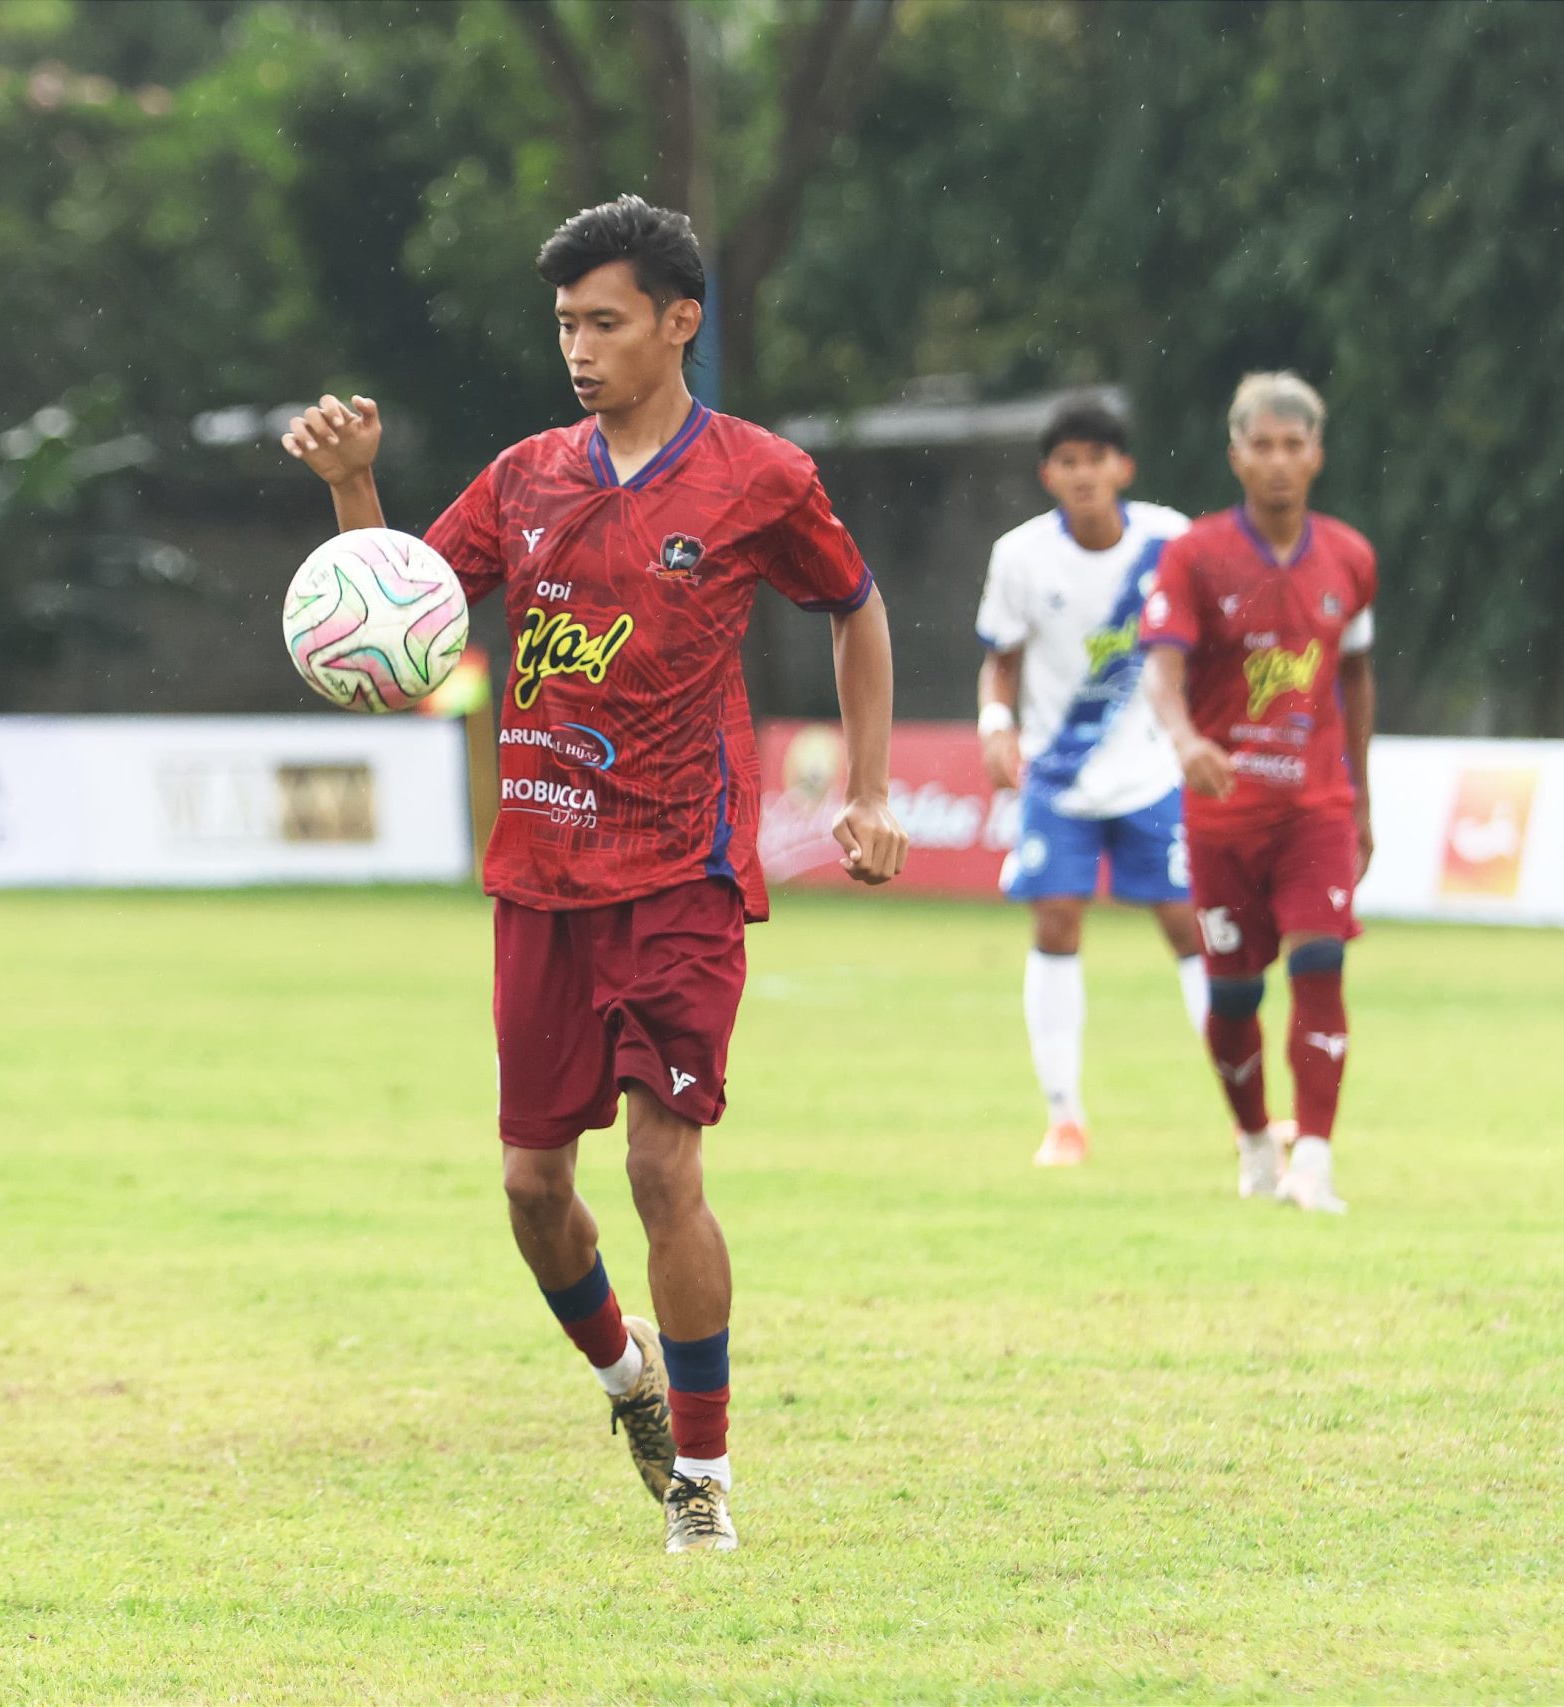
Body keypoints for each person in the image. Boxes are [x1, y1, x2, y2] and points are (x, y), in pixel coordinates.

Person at [281, 196, 906, 1553]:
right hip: (541, 876)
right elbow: (399, 630)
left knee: (664, 1166)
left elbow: (856, 605)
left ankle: (706, 1478)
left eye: (605, 322)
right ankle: (627, 1380)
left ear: (680, 322)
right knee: (528, 1187)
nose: (579, 347)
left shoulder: (760, 478)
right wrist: (351, 491)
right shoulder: (524, 480)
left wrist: (866, 790)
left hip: (683, 870)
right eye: (566, 323)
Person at [1138, 371, 1376, 1214]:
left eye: (1293, 445)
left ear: (1317, 455)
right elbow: (1160, 669)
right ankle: (1252, 1140)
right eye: (1261, 446)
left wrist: (1364, 800)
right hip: (1223, 815)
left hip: (1316, 807)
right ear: (1235, 455)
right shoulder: (1196, 555)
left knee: (1322, 960)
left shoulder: (1350, 557)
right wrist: (1186, 738)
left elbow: (1354, 675)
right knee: (1234, 994)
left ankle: (1313, 1158)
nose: (1278, 462)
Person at [975, 401, 1209, 1168]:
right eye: (1067, 461)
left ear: (1123, 468)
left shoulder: (1170, 541)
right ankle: (1064, 1117)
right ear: (1049, 474)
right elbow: (1000, 658)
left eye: (1096, 458)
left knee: (1190, 927)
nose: (1083, 474)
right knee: (1055, 927)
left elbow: (1204, 640)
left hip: (1153, 769)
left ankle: (1247, 1107)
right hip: (1058, 774)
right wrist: (994, 723)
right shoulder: (1020, 555)